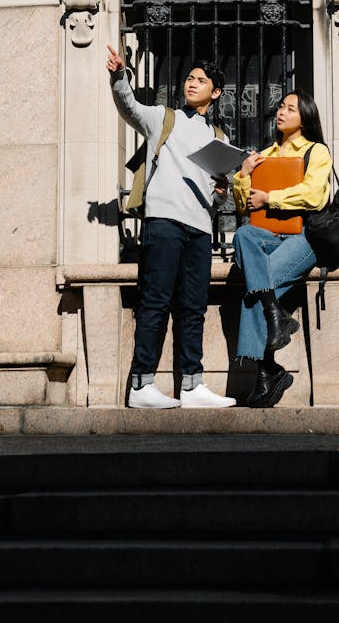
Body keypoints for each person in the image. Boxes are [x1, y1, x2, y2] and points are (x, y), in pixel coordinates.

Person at [106, 44, 236, 409]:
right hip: (164, 221)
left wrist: (222, 190)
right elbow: (129, 107)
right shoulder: (165, 118)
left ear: (216, 92)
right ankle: (141, 385)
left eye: (201, 80)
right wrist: (119, 75)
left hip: (199, 228)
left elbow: (216, 198)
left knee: (193, 306)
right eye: (190, 78)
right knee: (156, 301)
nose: (192, 84)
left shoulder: (220, 139)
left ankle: (193, 386)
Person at [232, 89, 332, 408]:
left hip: (304, 238)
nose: (281, 112)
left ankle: (267, 372)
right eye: (280, 107)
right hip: (267, 236)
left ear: (305, 117)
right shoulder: (263, 156)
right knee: (244, 234)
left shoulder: (316, 152)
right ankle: (276, 317)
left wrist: (270, 198)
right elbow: (243, 206)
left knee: (256, 286)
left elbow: (315, 196)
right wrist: (243, 176)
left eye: (290, 108)